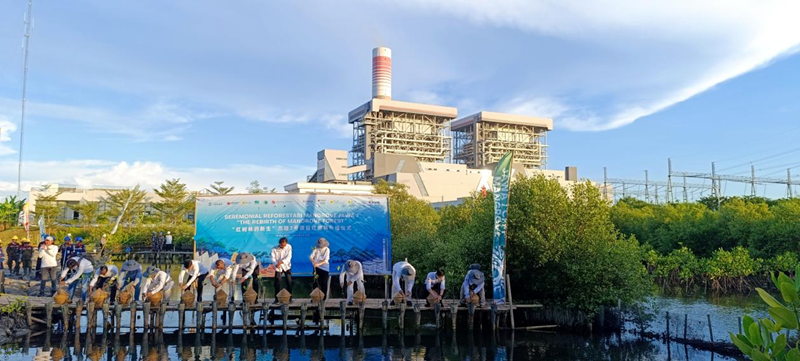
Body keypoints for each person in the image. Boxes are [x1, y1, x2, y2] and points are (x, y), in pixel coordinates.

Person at [270, 237, 293, 304]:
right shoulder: (274, 249)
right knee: (277, 283)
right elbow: (272, 258)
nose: (283, 246)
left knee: (289, 282)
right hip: (278, 267)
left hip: (286, 266)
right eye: (282, 245)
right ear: (279, 243)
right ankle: (276, 299)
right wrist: (276, 264)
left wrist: (282, 261)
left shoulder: (289, 247)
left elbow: (289, 257)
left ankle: (290, 298)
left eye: (284, 245)